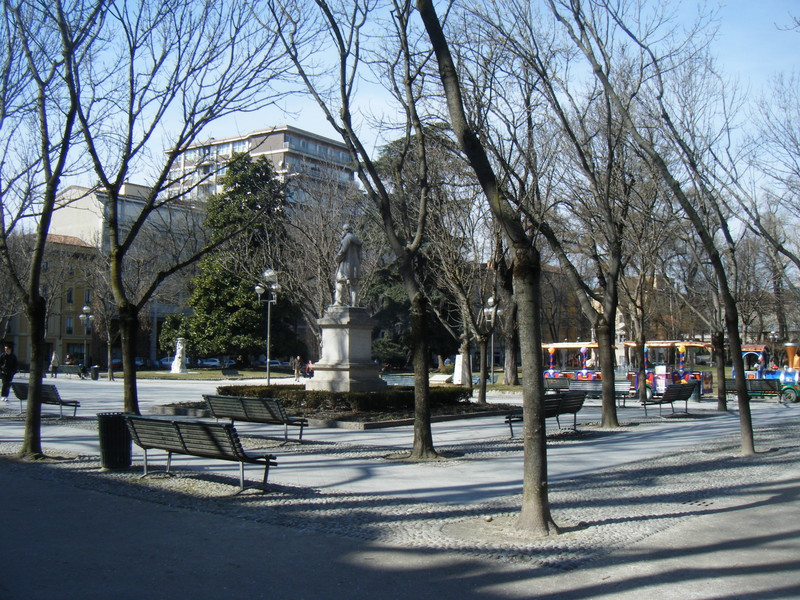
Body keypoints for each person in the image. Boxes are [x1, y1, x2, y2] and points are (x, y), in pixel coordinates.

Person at [333, 223, 362, 306]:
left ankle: (338, 302)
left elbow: (343, 251)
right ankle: (355, 304)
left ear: (346, 230)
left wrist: (337, 258)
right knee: (354, 284)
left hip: (346, 265)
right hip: (356, 266)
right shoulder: (357, 241)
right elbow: (360, 255)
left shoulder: (347, 238)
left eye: (343, 230)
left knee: (339, 281)